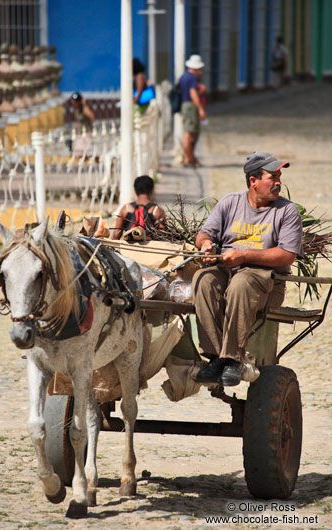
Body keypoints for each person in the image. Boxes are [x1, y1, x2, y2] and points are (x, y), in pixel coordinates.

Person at [192, 152, 303, 386]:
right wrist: (205, 245)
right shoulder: (230, 202)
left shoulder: (287, 211)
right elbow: (205, 233)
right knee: (203, 279)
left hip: (267, 281)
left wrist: (243, 255)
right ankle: (215, 357)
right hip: (228, 271)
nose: (278, 183)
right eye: (272, 177)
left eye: (279, 177)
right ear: (253, 181)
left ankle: (232, 359)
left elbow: (287, 254)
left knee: (241, 285)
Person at [112, 175, 165, 240]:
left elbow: (116, 235)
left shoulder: (126, 209)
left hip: (129, 248)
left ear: (135, 191)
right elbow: (163, 236)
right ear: (151, 190)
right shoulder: (157, 210)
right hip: (150, 248)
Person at [178, 54, 207, 167]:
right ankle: (190, 159)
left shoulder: (183, 77)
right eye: (199, 69)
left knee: (189, 133)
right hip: (190, 106)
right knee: (189, 133)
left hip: (185, 105)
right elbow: (192, 93)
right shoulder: (192, 78)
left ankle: (188, 158)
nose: (200, 72)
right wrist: (200, 109)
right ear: (195, 68)